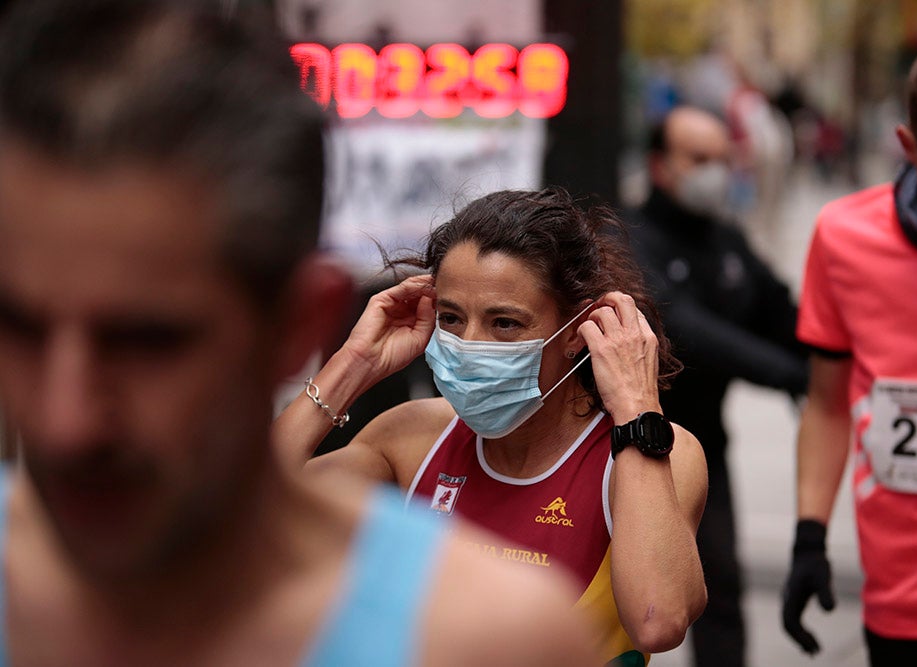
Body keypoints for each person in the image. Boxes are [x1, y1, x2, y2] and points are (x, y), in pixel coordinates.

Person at [0, 1, 603, 665]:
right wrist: (349, 367)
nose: (64, 421)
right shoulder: (409, 443)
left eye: (147, 342)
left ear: (298, 323)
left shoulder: (482, 634)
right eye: (20, 328)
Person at [274, 187, 710, 665]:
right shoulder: (411, 437)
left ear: (575, 330)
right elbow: (233, 519)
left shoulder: (648, 454)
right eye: (451, 318)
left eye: (504, 323)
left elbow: (657, 620)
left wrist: (636, 405)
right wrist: (350, 367)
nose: (469, 345)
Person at [781, 38, 917, 665]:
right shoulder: (843, 238)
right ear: (911, 147)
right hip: (904, 603)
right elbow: (828, 405)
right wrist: (809, 537)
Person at [626, 105, 808, 667]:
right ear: (660, 165)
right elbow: (684, 329)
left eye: (724, 160)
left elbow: (781, 313)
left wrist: (830, 359)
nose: (716, 173)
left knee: (719, 586)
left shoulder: (727, 240)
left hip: (704, 445)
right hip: (624, 444)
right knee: (619, 598)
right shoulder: (626, 238)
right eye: (700, 159)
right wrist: (788, 374)